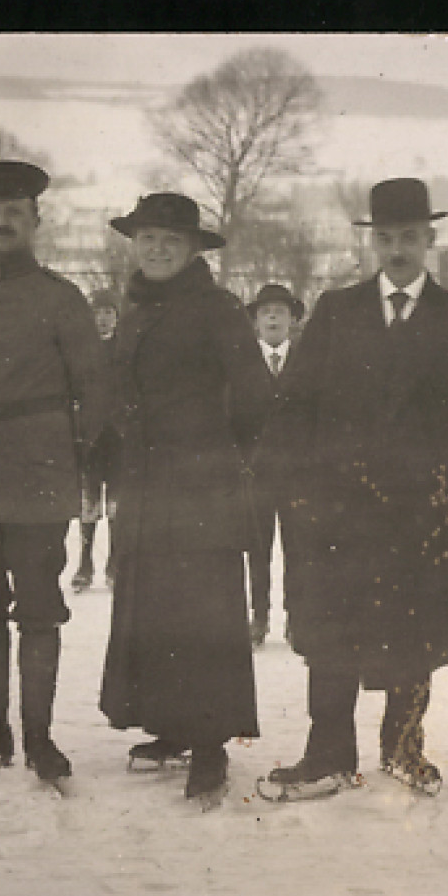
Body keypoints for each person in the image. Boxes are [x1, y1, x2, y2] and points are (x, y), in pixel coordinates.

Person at [259, 179, 448, 800]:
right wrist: (298, 490)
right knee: (330, 630)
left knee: (415, 631)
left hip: (425, 513)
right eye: (386, 237)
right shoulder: (336, 312)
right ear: (371, 241)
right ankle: (329, 752)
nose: (397, 249)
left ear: (430, 241)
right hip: (339, 512)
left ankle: (403, 747)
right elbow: (294, 406)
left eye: (410, 238)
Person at [0, 160, 110, 785]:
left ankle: (39, 737)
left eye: (13, 212)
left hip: (37, 478)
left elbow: (93, 391)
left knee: (37, 609)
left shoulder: (62, 299)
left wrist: (69, 463)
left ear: (36, 221)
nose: (1, 221)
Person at [97, 193, 274, 805]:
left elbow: (254, 399)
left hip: (202, 487)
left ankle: (209, 748)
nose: (158, 248)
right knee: (154, 609)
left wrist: (226, 467)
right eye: (148, 237)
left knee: (203, 615)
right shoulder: (137, 307)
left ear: (195, 248)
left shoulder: (217, 309)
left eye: (172, 239)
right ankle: (172, 729)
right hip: (147, 485)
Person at [243, 282, 304, 648]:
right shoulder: (244, 364)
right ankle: (259, 616)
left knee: (298, 549)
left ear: (292, 320)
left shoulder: (306, 361)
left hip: (297, 476)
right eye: (265, 311)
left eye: (280, 311)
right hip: (256, 475)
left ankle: (296, 619)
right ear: (255, 321)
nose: (272, 317)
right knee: (256, 548)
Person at [72, 287, 122, 593]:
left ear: (117, 317)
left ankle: (115, 565)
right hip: (89, 436)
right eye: (97, 313)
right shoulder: (81, 350)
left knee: (118, 504)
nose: (102, 319)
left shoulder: (127, 348)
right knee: (88, 504)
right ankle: (84, 564)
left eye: (108, 313)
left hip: (119, 436)